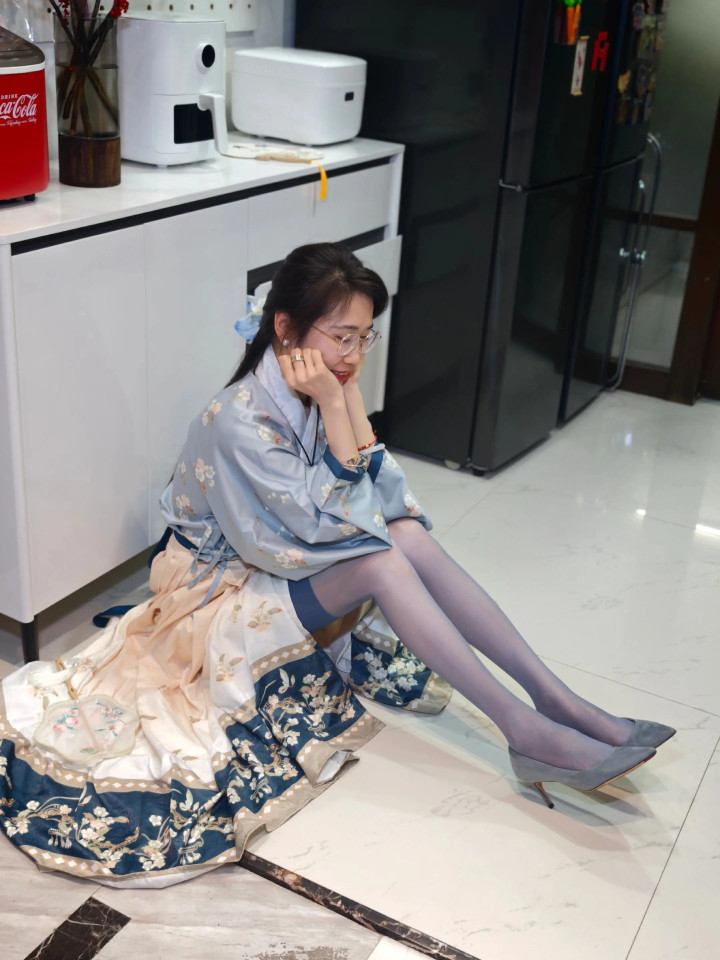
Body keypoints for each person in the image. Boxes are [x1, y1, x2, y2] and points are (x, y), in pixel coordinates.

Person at [0, 243, 674, 888]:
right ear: (285, 327)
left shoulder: (320, 385)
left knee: (405, 539)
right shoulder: (237, 418)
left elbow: (387, 500)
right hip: (212, 592)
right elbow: (315, 534)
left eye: (364, 337)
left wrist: (343, 402)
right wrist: (337, 403)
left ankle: (551, 699)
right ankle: (522, 728)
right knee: (384, 560)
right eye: (342, 336)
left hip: (276, 561)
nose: (353, 355)